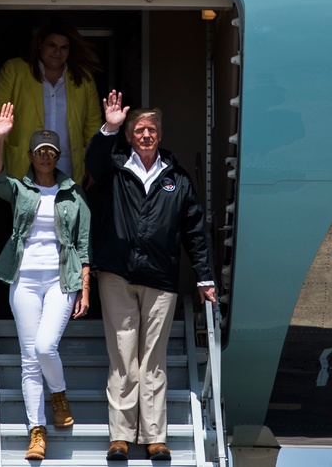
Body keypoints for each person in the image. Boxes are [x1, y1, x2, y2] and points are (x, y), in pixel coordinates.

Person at [84, 90, 216, 462]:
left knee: (153, 360)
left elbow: (194, 231)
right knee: (123, 356)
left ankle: (156, 436)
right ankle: (121, 436)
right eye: (138, 129)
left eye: (151, 129)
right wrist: (108, 128)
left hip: (160, 277)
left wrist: (205, 279)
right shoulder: (114, 166)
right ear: (129, 135)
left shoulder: (177, 178)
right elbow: (92, 163)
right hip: (117, 274)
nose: (145, 135)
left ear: (160, 134)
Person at [0, 102, 92, 461]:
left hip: (62, 279)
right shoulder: (20, 190)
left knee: (46, 347)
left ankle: (58, 393)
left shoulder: (74, 194)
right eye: (40, 152)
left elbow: (84, 245)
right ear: (31, 156)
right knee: (29, 358)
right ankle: (37, 431)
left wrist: (85, 289)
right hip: (25, 279)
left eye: (51, 152)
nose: (46, 157)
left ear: (58, 156)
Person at [0, 22, 101, 184]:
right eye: (52, 45)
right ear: (40, 45)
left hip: (67, 164)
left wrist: (94, 164)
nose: (57, 52)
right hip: (24, 163)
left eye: (64, 47)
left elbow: (92, 124)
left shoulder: (83, 77)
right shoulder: (15, 70)